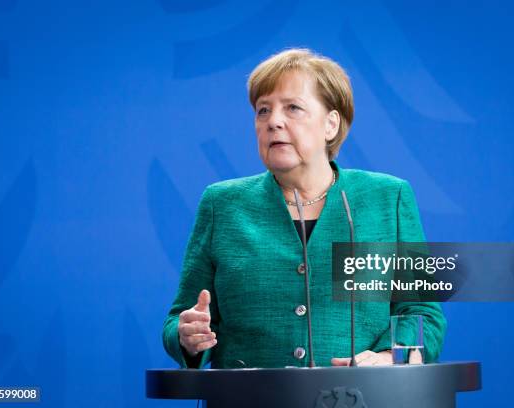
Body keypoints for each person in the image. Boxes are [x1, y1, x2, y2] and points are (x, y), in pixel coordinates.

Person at [162, 48, 446, 368]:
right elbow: (179, 320)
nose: (274, 122)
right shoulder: (222, 204)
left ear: (331, 124)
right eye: (263, 110)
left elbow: (421, 313)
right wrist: (187, 336)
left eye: (293, 108)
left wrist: (389, 357)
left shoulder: (387, 198)